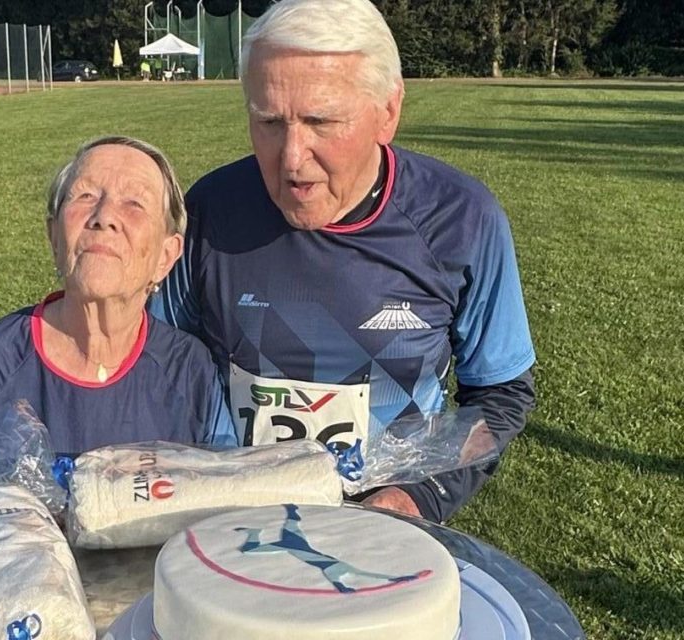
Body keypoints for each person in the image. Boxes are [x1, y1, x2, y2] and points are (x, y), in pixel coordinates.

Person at [152, 0, 536, 523]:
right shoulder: (213, 212)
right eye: (269, 122)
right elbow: (157, 360)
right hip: (235, 527)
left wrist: (418, 498)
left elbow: (500, 393)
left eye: (322, 121)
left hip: (385, 529)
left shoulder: (462, 221)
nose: (291, 157)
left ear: (388, 112)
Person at [0, 136, 238, 466]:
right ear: (54, 237)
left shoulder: (189, 369)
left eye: (134, 203)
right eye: (86, 195)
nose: (103, 216)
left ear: (166, 256)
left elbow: (222, 502)